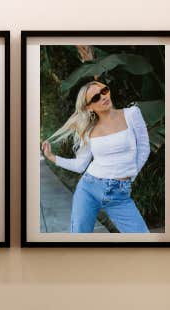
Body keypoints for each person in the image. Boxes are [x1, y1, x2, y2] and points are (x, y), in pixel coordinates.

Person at [41, 81, 151, 233]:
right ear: (89, 107)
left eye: (104, 91)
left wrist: (129, 175)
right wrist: (52, 157)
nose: (103, 97)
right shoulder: (88, 130)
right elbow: (80, 165)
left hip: (119, 194)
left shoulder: (131, 114)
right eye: (95, 98)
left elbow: (144, 147)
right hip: (88, 188)